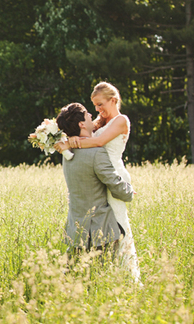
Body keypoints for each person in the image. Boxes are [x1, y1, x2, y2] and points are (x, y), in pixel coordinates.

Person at [58, 82, 141, 282]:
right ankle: (108, 274)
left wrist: (71, 143)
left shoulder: (121, 120)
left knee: (118, 224)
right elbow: (78, 126)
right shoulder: (100, 122)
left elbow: (98, 142)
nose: (97, 110)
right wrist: (68, 139)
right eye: (94, 106)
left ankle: (125, 275)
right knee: (108, 222)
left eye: (100, 104)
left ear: (113, 100)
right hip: (100, 173)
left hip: (113, 174)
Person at [54, 102, 134, 259]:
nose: (91, 115)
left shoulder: (67, 152)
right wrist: (129, 191)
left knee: (76, 272)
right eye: (87, 114)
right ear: (82, 124)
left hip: (75, 229)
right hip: (99, 229)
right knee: (104, 271)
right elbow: (115, 184)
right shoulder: (96, 153)